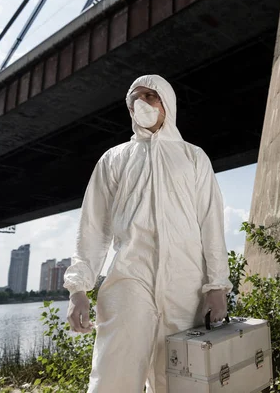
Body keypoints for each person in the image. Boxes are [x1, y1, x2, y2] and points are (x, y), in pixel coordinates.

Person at [63, 74, 233, 392]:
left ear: (167, 103)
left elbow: (211, 224)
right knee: (113, 377)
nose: (142, 103)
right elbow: (93, 226)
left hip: (187, 285)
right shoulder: (114, 159)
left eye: (150, 97)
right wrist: (78, 290)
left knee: (182, 380)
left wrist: (217, 286)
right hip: (130, 279)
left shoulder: (193, 157)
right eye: (135, 99)